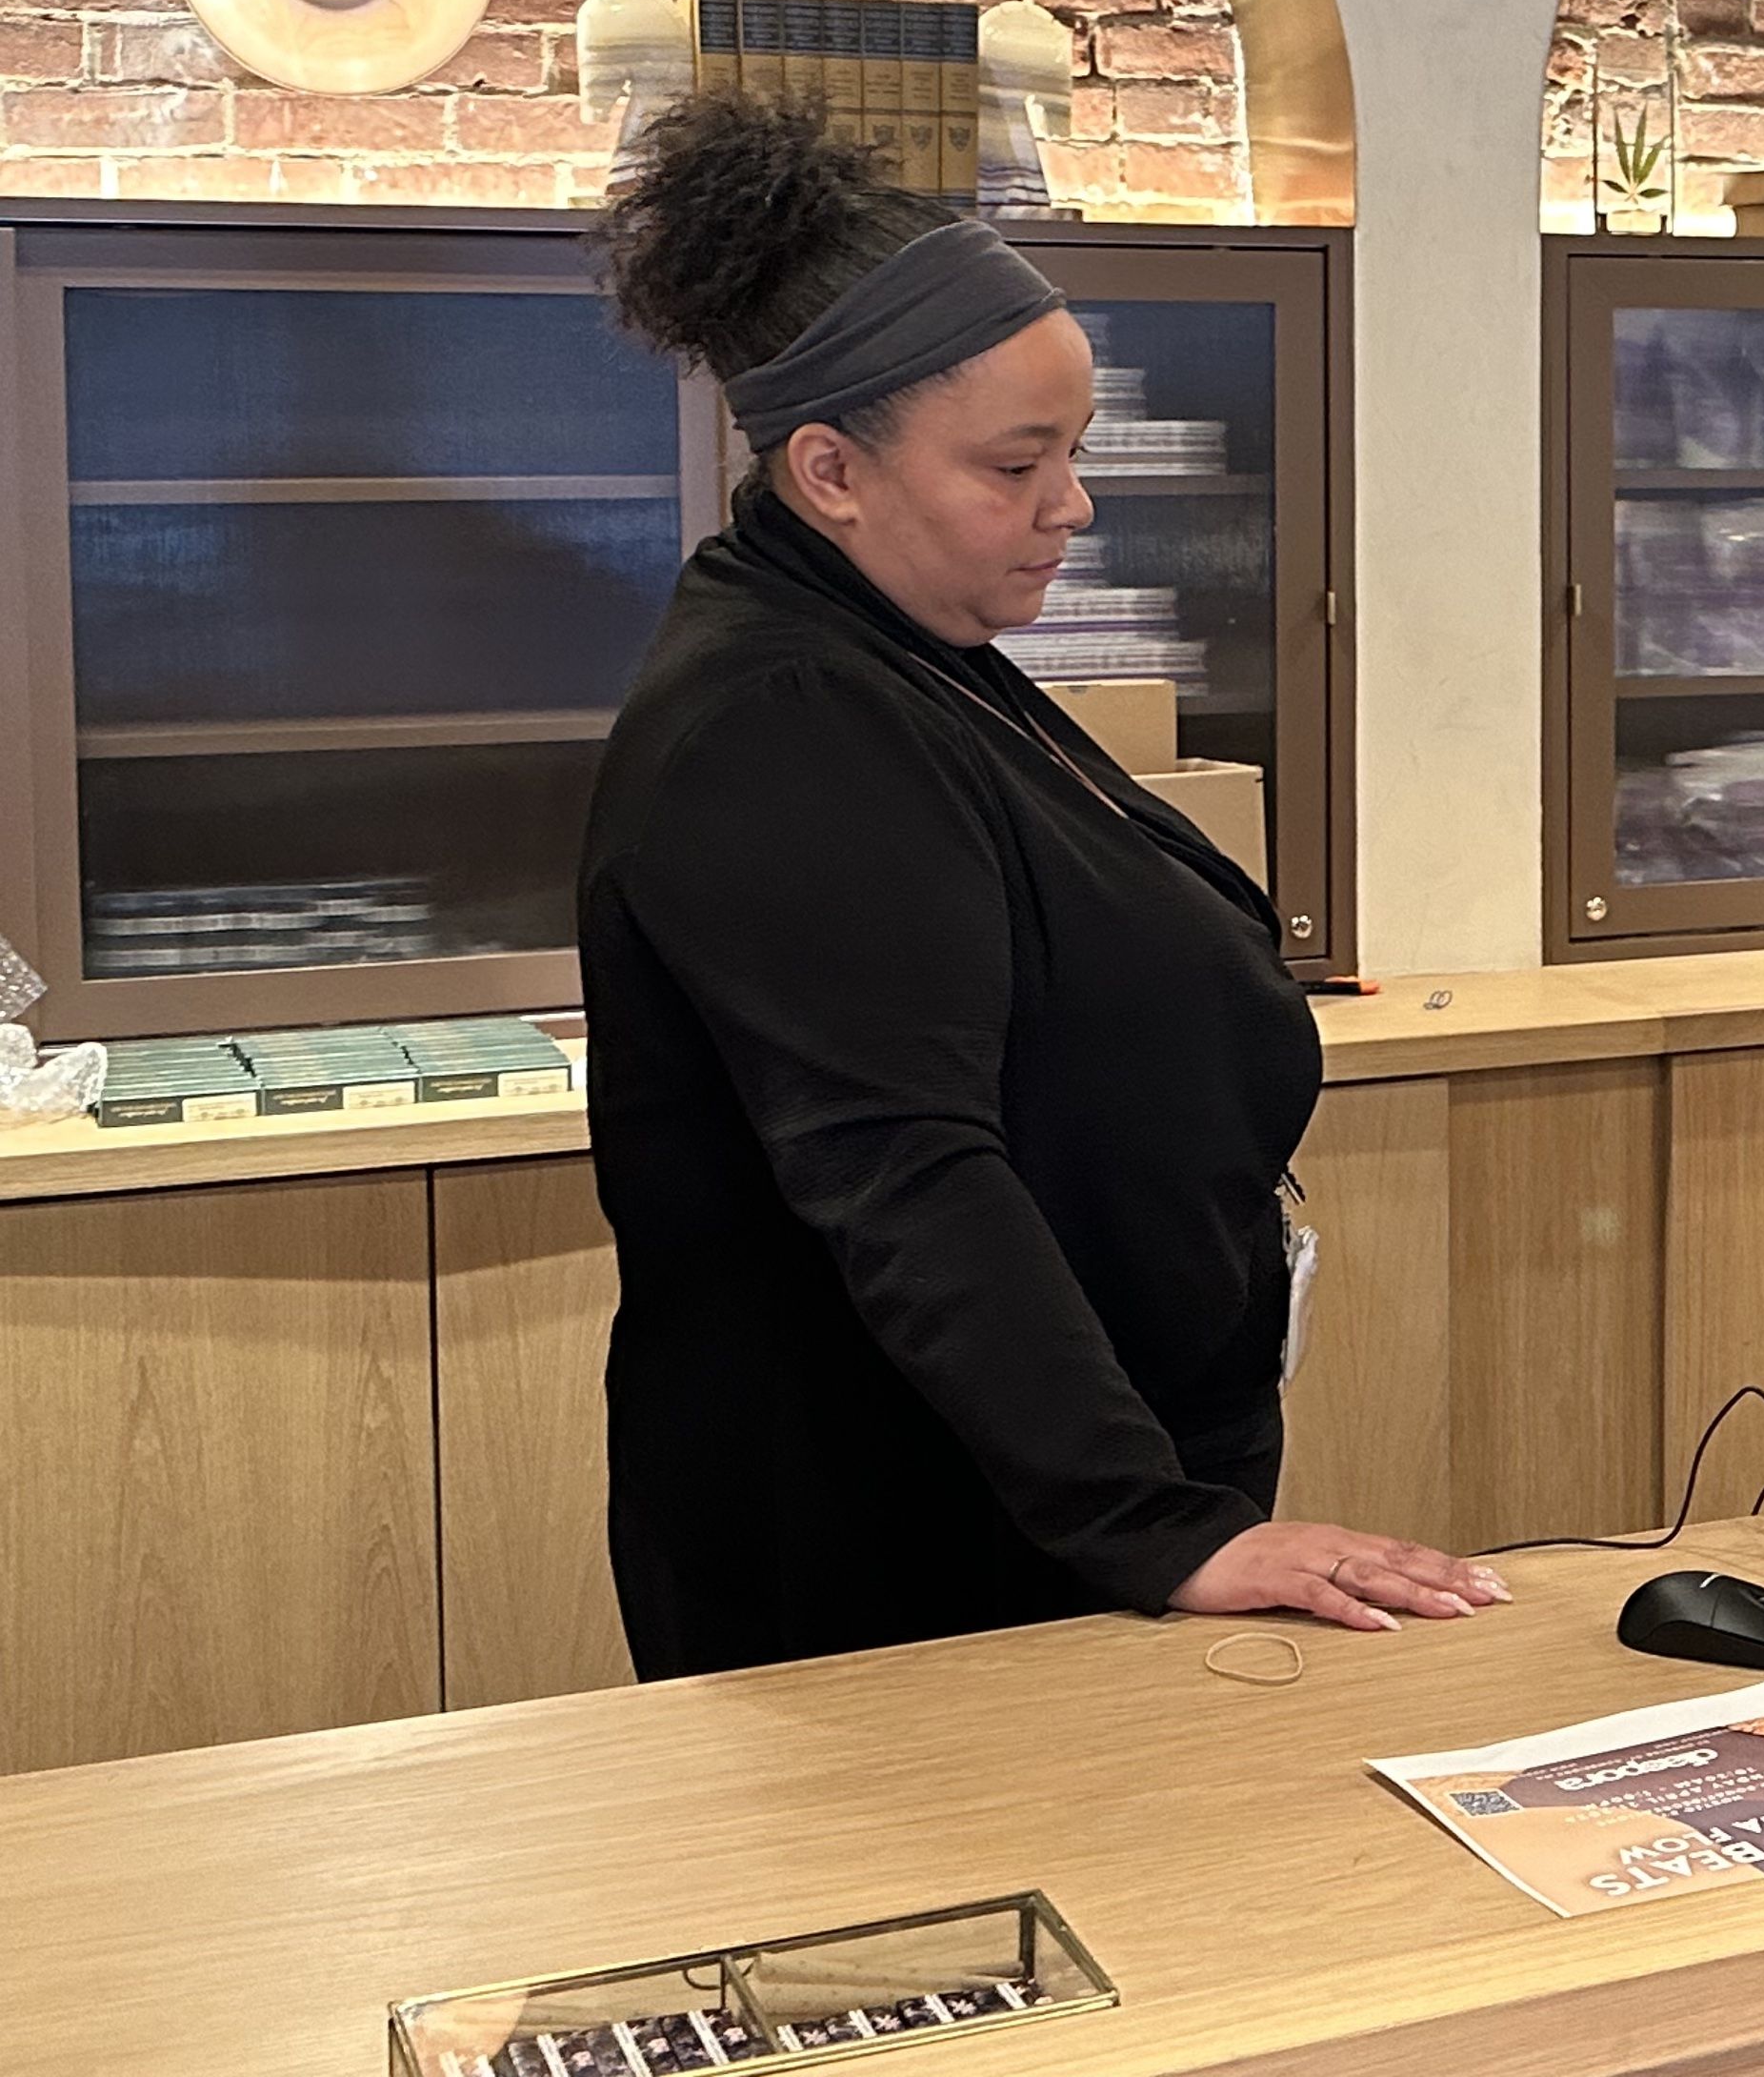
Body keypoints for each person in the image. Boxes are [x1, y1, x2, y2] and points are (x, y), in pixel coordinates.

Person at [578, 99, 1501, 1677]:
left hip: (1044, 1503)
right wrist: (1155, 1518)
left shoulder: (914, 658)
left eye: (1070, 451)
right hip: (912, 1541)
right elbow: (906, 1171)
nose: (1071, 502)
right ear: (828, 469)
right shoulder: (781, 720)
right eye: (1017, 463)